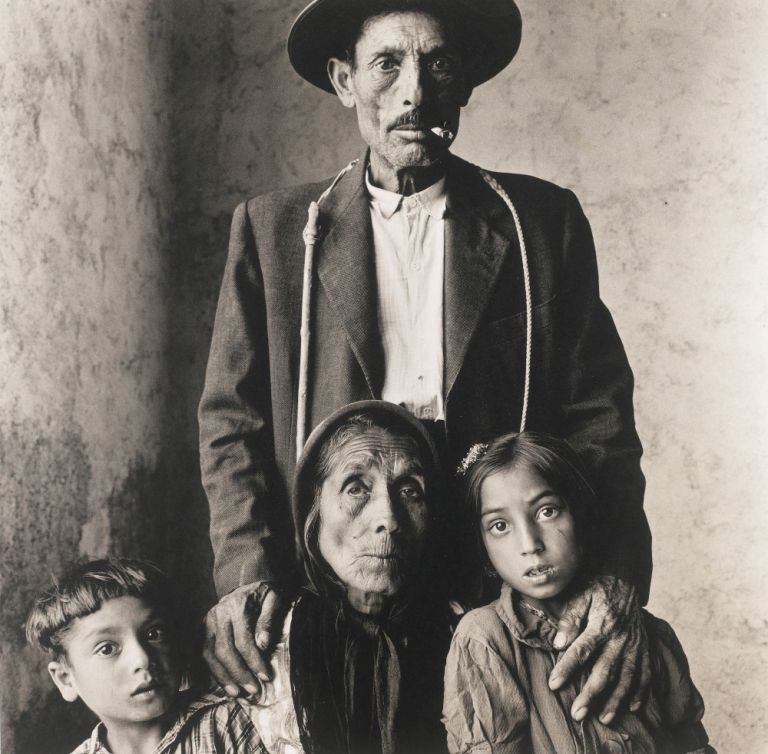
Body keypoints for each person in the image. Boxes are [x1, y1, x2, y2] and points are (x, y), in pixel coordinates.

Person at [199, 0, 651, 724]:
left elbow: (600, 417)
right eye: (388, 64)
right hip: (342, 568)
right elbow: (233, 424)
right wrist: (246, 575)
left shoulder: (539, 223)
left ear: (465, 80)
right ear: (345, 80)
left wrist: (614, 576)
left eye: (438, 63)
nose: (415, 91)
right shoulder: (278, 229)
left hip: (493, 564)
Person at [442, 432, 715, 754]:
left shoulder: (647, 634)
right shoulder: (484, 639)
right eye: (500, 526)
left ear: (582, 517)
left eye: (547, 511)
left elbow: (691, 743)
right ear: (483, 546)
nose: (530, 544)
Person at [242, 400, 456, 753]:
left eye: (409, 490)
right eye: (356, 487)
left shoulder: (463, 634)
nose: (389, 517)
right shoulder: (269, 648)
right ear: (314, 512)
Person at [25, 558, 265, 754]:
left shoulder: (226, 724)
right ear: (66, 679)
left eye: (153, 634)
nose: (142, 659)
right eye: (107, 648)